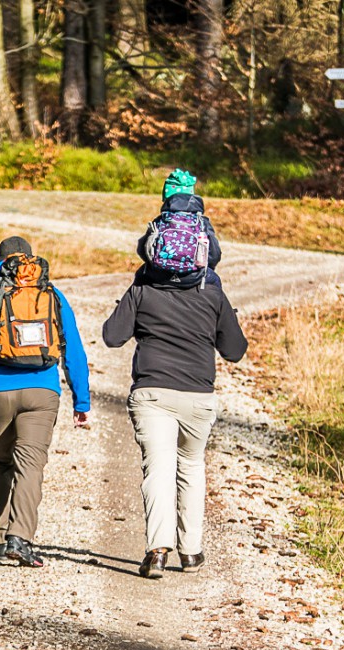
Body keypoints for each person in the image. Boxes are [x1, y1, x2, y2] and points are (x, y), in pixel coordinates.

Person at [103, 214, 247, 579]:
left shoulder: (142, 290)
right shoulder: (212, 294)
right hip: (198, 396)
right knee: (192, 467)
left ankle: (157, 550)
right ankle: (192, 550)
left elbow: (112, 336)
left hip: (152, 394)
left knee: (158, 469)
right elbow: (235, 350)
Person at [0, 236, 91, 568]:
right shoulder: (51, 295)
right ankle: (20, 538)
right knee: (30, 466)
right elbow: (74, 350)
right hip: (43, 392)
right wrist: (81, 400)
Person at [134, 168, 224, 289]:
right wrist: (206, 269)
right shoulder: (202, 223)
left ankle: (124, 307)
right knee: (215, 282)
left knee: (139, 278)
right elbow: (214, 255)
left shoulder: (160, 220)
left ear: (166, 196)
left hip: (159, 276)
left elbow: (142, 249)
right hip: (194, 277)